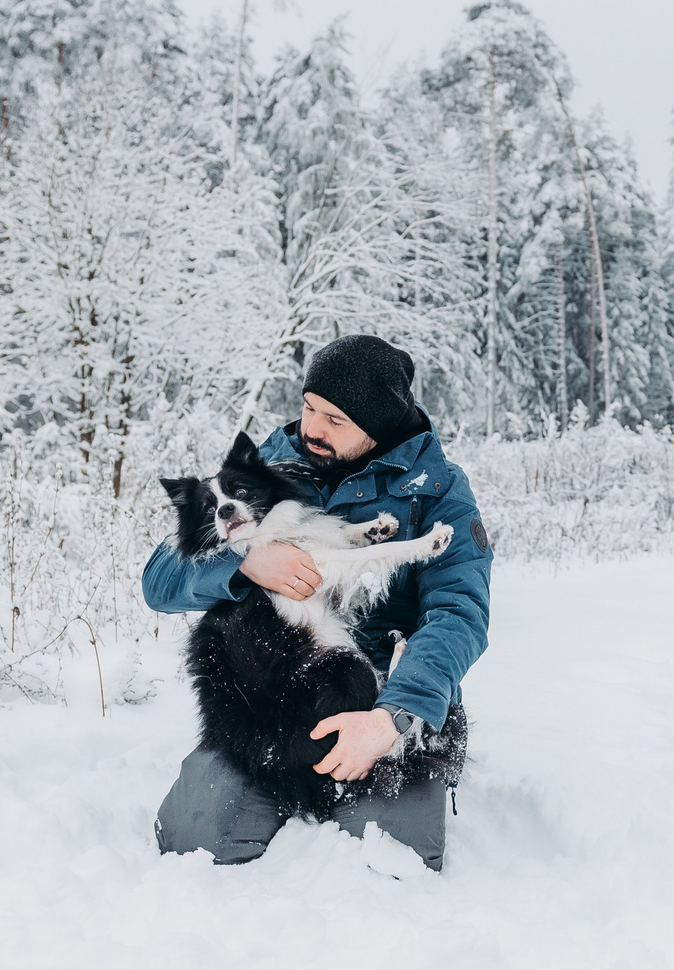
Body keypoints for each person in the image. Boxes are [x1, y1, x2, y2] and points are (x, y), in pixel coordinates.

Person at [142, 335, 492, 870]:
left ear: (376, 426)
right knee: (195, 839)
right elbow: (160, 580)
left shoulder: (438, 490)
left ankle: (401, 756)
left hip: (378, 691)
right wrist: (242, 565)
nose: (311, 429)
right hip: (271, 699)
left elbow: (459, 614)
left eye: (334, 419)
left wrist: (393, 718)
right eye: (308, 407)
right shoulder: (270, 465)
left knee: (391, 859)